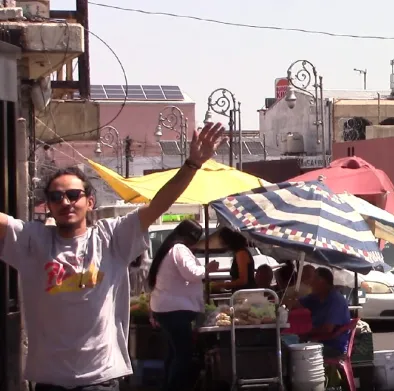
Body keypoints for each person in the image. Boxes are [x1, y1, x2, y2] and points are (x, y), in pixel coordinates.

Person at [0, 122, 225, 390]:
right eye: (56, 197)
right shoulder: (32, 241)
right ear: (48, 205)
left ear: (89, 202)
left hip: (101, 378)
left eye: (74, 195)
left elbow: (158, 205)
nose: (66, 202)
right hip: (51, 381)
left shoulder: (111, 237)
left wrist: (192, 164)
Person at [148, 219, 220, 391]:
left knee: (174, 354)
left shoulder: (169, 249)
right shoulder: (179, 249)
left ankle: (168, 386)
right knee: (183, 356)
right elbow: (192, 273)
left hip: (166, 309)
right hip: (175, 310)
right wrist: (208, 268)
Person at [297, 267, 352, 358]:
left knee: (296, 354)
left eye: (313, 280)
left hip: (333, 347)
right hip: (316, 342)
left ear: (322, 281)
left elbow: (327, 329)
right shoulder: (317, 296)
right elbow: (297, 303)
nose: (311, 284)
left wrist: (306, 334)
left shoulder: (335, 300)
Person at [211, 227, 256, 292]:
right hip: (241, 292)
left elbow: (243, 280)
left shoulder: (241, 253)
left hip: (245, 293)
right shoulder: (240, 252)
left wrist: (221, 284)